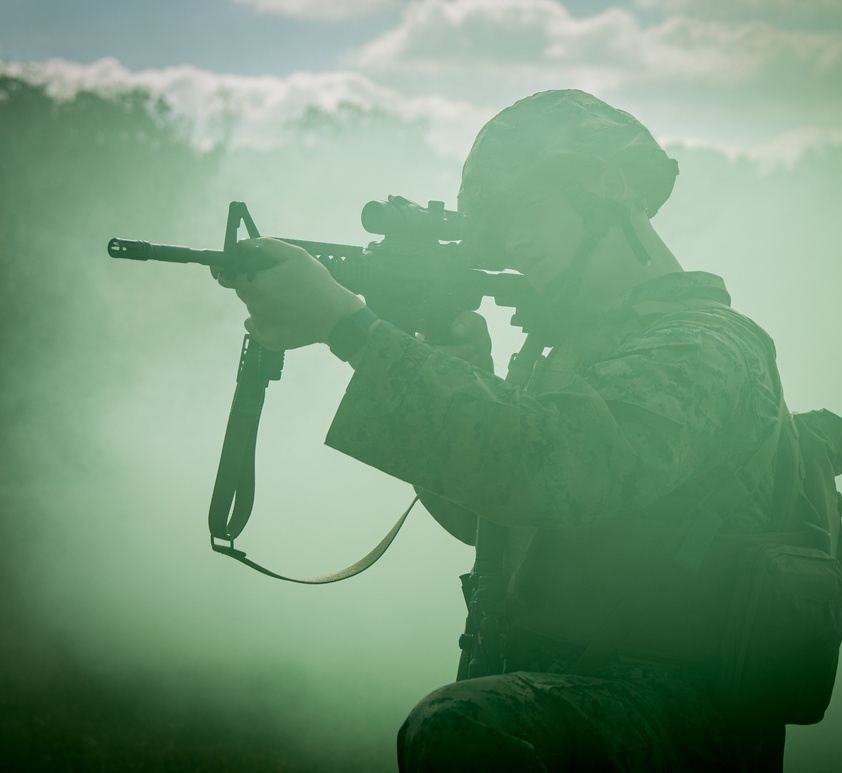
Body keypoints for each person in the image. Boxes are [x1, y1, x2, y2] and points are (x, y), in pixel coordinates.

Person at [220, 90, 791, 771]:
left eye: (531, 211)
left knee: (461, 728)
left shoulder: (700, 343)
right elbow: (488, 513)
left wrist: (352, 330)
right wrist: (460, 367)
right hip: (580, 694)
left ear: (609, 195)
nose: (514, 243)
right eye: (499, 226)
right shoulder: (577, 352)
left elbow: (557, 471)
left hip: (681, 715)